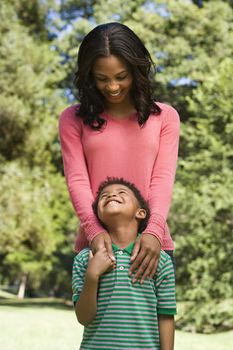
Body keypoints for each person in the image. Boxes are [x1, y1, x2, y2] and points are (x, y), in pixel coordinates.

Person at [59, 22, 180, 282]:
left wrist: (154, 231)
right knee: (100, 324)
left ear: (136, 71)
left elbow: (162, 179)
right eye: (102, 78)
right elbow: (77, 180)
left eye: (121, 76)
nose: (112, 86)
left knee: (156, 324)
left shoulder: (165, 118)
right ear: (89, 76)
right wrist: (93, 230)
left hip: (150, 246)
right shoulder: (72, 119)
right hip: (98, 247)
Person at [72, 177, 177, 350]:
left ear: (140, 213)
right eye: (104, 196)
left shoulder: (159, 260)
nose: (112, 194)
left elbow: (165, 316)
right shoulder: (85, 258)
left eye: (121, 193)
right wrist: (92, 276)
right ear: (98, 215)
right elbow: (83, 318)